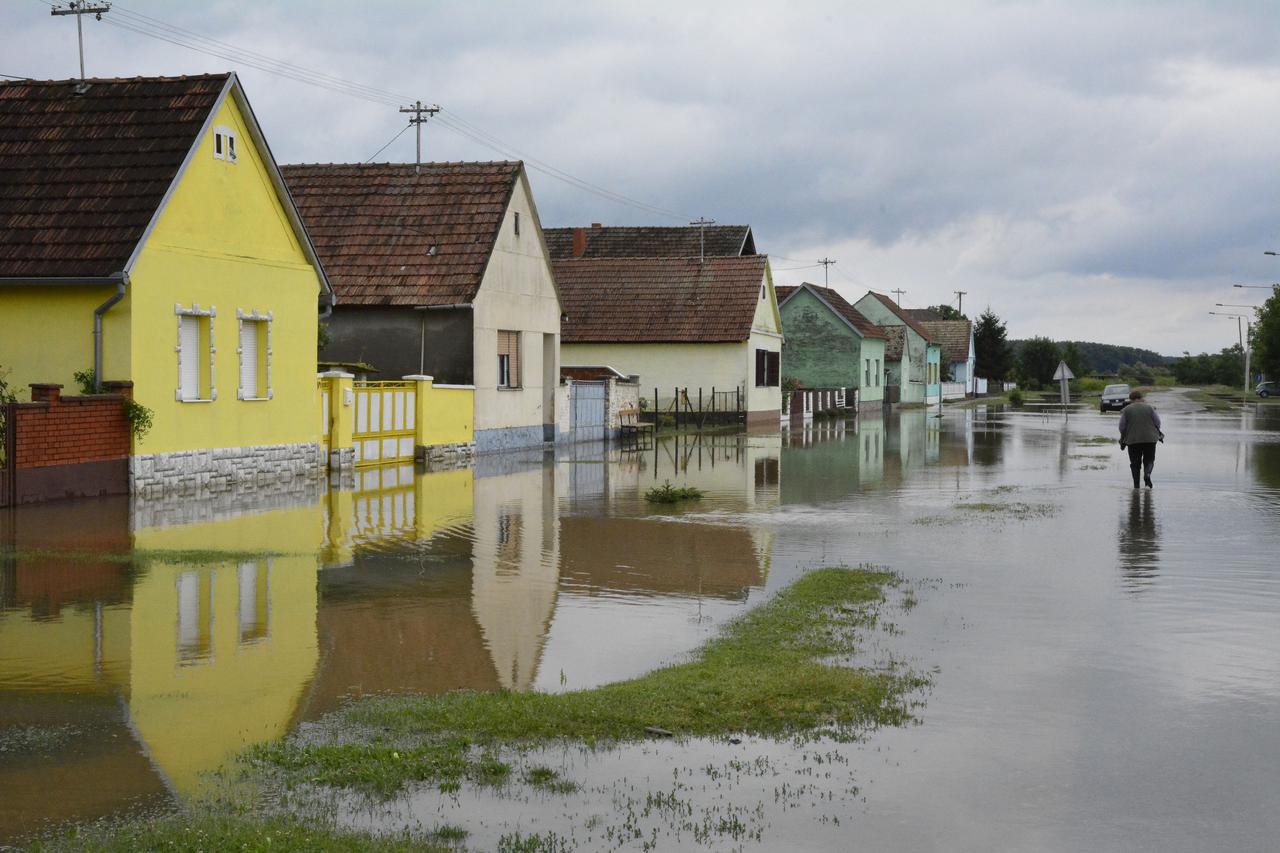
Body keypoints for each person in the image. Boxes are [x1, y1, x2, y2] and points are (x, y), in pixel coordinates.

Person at [1118, 389, 1163, 488]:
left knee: (1135, 463)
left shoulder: (1126, 410)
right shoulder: (1150, 408)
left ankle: (1136, 486)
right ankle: (1147, 474)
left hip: (1133, 440)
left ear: (1131, 399)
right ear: (1141, 398)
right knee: (1149, 460)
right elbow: (1158, 423)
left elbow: (1121, 427)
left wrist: (1124, 436)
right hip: (1150, 439)